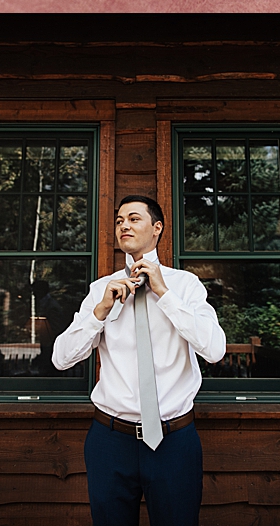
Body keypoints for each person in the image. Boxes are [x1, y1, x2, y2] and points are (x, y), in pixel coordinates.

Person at [52, 196, 226, 526]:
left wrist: (165, 294)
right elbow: (61, 358)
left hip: (174, 440)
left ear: (156, 228)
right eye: (119, 221)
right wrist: (99, 312)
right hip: (110, 441)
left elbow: (214, 349)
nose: (124, 226)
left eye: (134, 218)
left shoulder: (184, 286)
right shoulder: (101, 290)